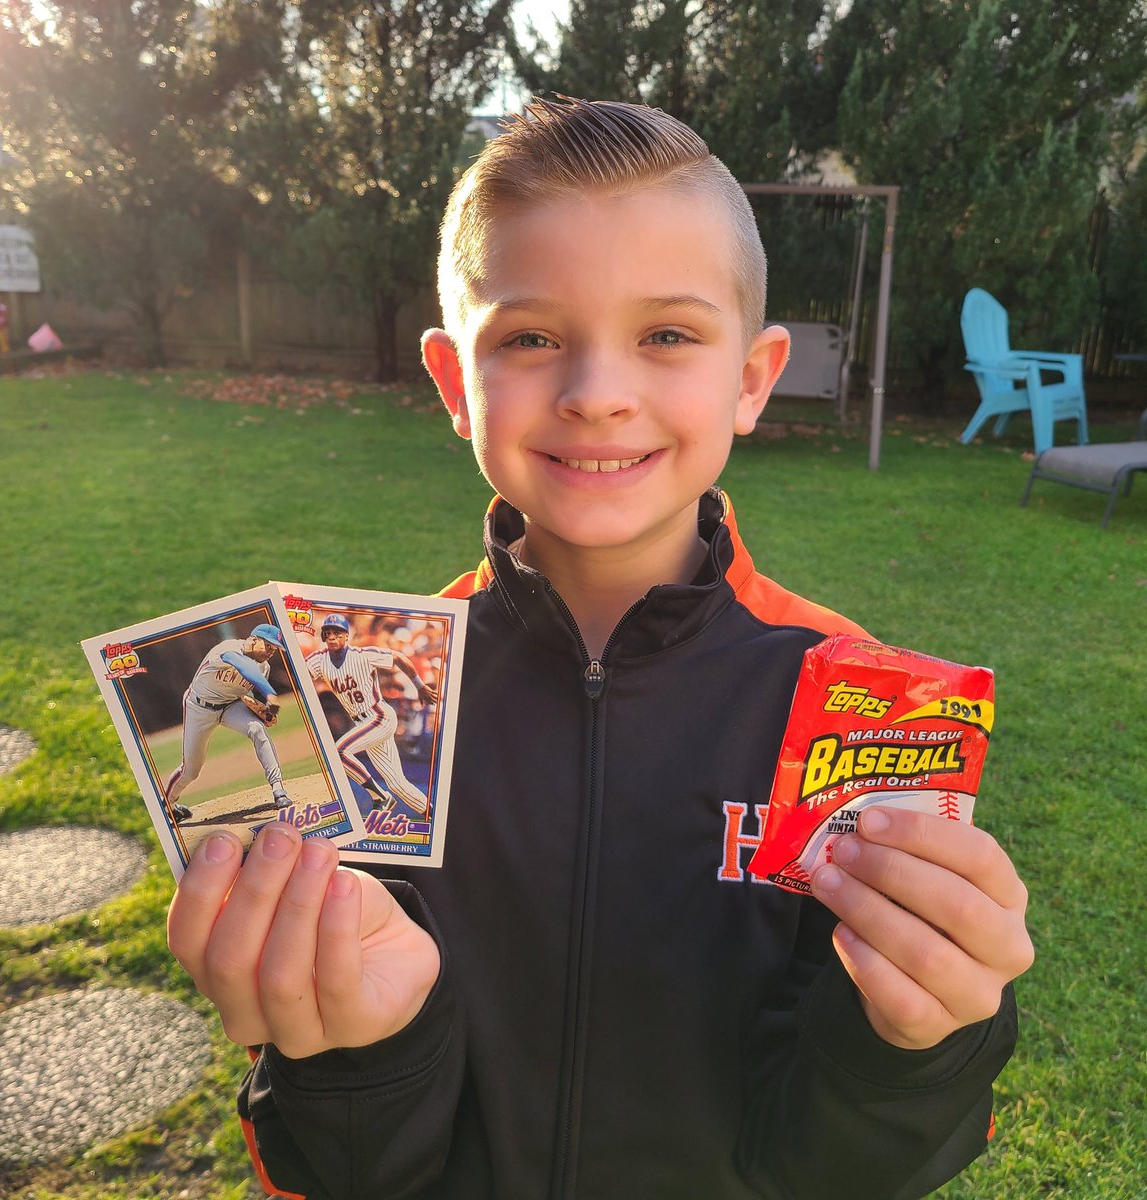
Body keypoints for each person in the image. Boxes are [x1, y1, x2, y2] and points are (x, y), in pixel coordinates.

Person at [168, 98, 1033, 1199]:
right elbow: (340, 1164)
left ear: (754, 378)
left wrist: (919, 1049)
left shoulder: (852, 701)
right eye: (531, 339)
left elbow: (839, 1169)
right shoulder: (358, 708)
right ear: (452, 383)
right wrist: (353, 1058)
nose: (597, 396)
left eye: (667, 335)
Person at [306, 612, 439, 815]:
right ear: (323, 636)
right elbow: (299, 676)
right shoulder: (318, 661)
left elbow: (398, 657)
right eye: (328, 633)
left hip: (379, 717)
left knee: (339, 752)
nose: (332, 637)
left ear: (346, 636)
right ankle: (432, 817)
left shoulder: (362, 655)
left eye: (338, 633)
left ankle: (380, 796)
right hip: (364, 724)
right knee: (397, 783)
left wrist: (419, 685)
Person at [163, 623, 293, 823]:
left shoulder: (264, 667)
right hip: (199, 708)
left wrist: (262, 711)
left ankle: (278, 789)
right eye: (268, 646)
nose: (270, 652)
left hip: (229, 707)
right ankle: (168, 805)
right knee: (191, 770)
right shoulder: (228, 649)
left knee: (257, 729)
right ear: (253, 639)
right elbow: (243, 666)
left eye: (274, 649)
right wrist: (269, 693)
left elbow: (244, 694)